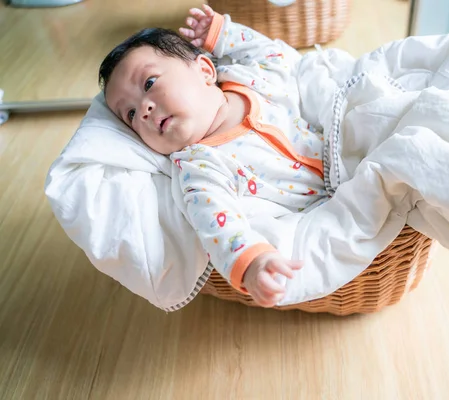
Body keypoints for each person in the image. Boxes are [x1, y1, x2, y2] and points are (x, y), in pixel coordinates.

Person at [100, 5, 329, 308]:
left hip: (341, 151)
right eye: (129, 113)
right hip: (319, 211)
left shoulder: (250, 79)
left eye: (149, 84)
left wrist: (223, 33)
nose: (143, 109)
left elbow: (277, 54)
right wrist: (253, 263)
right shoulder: (199, 166)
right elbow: (217, 223)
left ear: (206, 71)